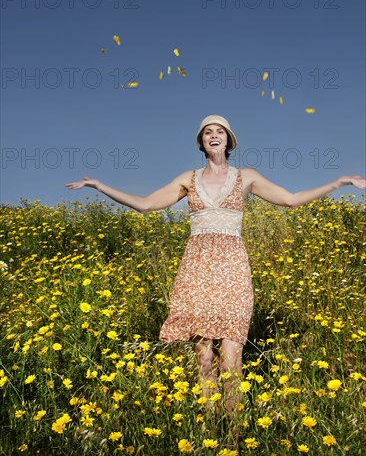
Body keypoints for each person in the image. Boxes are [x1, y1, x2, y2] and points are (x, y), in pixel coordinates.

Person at [65, 114, 365, 424]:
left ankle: (233, 435)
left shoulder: (246, 177)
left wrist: (338, 182)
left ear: (229, 140)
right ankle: (209, 432)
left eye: (219, 131)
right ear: (201, 142)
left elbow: (290, 200)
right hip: (196, 270)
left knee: (231, 360)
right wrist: (99, 186)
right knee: (204, 358)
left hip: (233, 270)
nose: (213, 135)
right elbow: (146, 204)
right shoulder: (188, 178)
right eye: (207, 132)